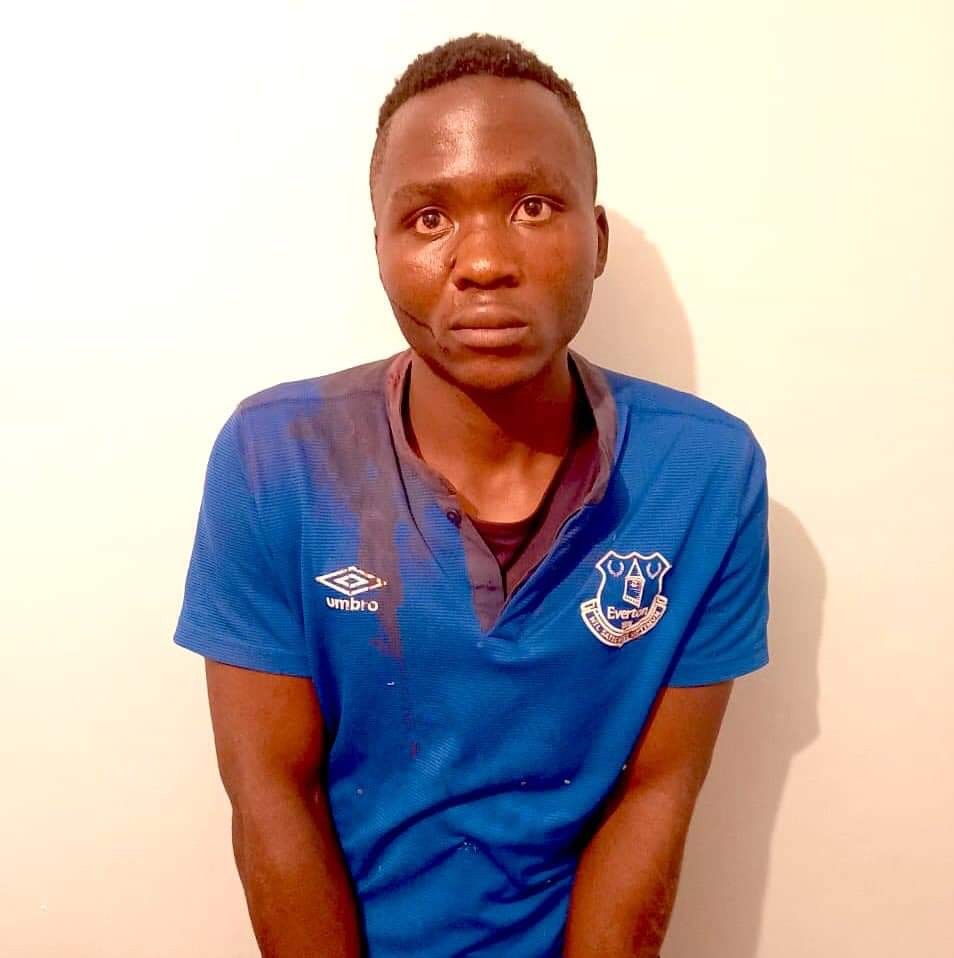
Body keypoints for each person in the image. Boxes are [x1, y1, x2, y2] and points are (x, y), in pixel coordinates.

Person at [173, 32, 770, 958]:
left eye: (533, 206)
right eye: (428, 218)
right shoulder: (275, 458)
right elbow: (271, 794)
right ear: (379, 249)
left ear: (596, 240)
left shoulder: (703, 474)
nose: (484, 261)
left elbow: (657, 793)